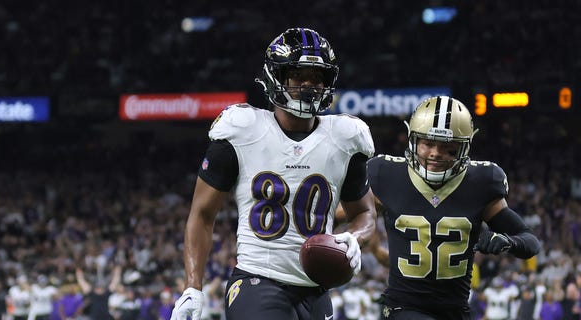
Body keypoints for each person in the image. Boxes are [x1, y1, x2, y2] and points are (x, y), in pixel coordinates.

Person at [171, 27, 378, 320]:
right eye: (299, 76)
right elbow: (202, 214)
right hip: (258, 280)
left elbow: (365, 213)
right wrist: (193, 286)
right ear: (276, 77)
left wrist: (355, 237)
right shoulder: (242, 128)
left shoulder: (346, 137)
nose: (309, 85)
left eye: (317, 77)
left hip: (316, 289)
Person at [366, 96, 541, 319]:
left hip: (455, 310)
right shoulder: (386, 175)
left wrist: (508, 242)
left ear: (464, 148)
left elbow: (530, 241)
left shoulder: (481, 183)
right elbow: (345, 214)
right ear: (412, 140)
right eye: (428, 143)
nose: (436, 153)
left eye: (448, 148)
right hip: (404, 307)